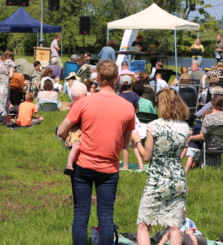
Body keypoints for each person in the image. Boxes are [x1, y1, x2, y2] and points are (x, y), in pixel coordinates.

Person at [57, 60, 135, 245]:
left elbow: (61, 131)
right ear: (117, 79)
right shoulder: (127, 107)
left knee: (81, 213)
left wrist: (73, 140)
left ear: (97, 79)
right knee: (106, 217)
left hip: (83, 165)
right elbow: (125, 143)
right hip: (109, 168)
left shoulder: (84, 103)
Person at [132, 88, 190, 245]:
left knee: (143, 225)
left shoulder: (154, 126)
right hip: (178, 179)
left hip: (158, 180)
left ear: (162, 104)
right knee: (174, 226)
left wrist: (137, 141)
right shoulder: (185, 126)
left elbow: (146, 157)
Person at [188, 95, 223, 168]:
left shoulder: (208, 117)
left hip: (211, 145)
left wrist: (190, 138)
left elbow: (202, 136)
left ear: (212, 103)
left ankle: (194, 164)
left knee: (196, 139)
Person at [62, 82, 88, 176]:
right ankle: (69, 165)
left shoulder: (76, 103)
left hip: (79, 128)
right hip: (76, 129)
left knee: (78, 147)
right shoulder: (78, 105)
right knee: (76, 146)